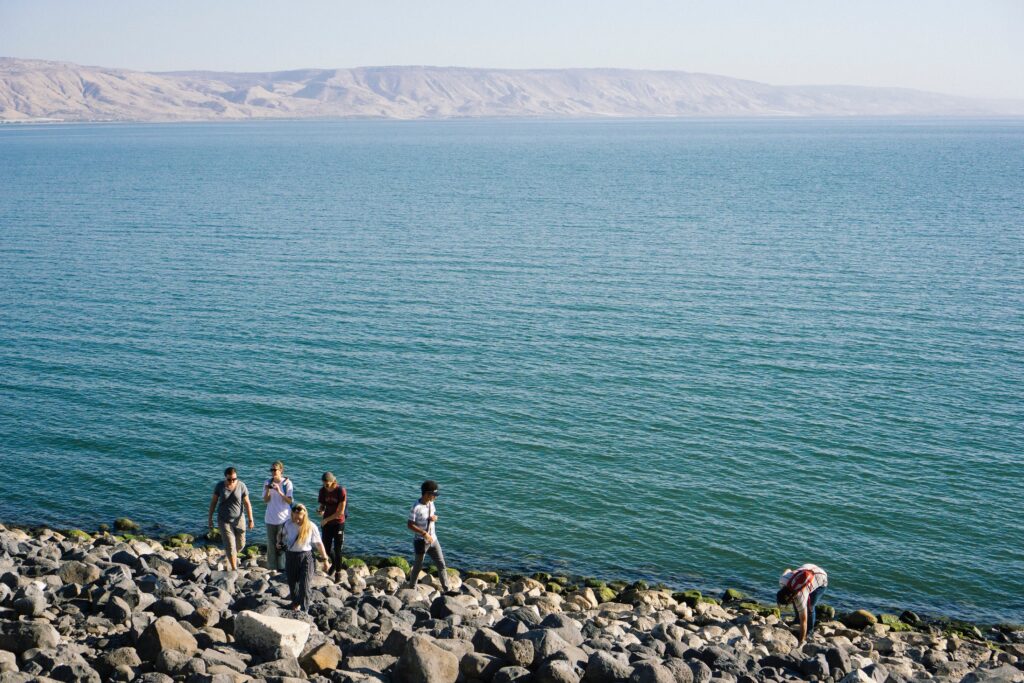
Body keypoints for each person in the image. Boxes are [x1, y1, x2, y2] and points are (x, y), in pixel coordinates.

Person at [277, 503, 328, 611]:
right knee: (292, 583)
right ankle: (295, 604)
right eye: (294, 517)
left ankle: (305, 610)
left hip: (306, 557)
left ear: (304, 515)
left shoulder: (311, 526)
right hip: (291, 556)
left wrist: (325, 560)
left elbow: (319, 544)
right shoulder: (288, 524)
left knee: (305, 585)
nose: (296, 520)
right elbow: (280, 535)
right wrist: (278, 542)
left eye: (299, 518)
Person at [406, 479, 452, 593]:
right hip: (421, 541)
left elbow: (433, 515)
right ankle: (412, 588)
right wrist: (424, 533)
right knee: (418, 567)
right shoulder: (416, 507)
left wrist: (434, 518)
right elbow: (410, 525)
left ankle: (447, 590)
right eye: (434, 495)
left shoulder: (431, 503)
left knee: (441, 564)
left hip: (433, 540)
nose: (435, 497)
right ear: (427, 494)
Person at [207, 467, 255, 571]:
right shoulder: (220, 486)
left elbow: (247, 503)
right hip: (224, 520)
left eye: (234, 479)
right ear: (225, 477)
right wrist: (210, 518)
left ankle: (229, 555)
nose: (232, 481)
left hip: (239, 519)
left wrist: (251, 519)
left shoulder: (241, 486)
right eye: (229, 479)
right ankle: (234, 569)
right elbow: (213, 502)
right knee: (230, 545)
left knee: (241, 544)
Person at [777, 563, 828, 644]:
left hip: (821, 578)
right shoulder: (783, 580)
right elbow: (788, 569)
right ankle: (797, 621)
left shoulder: (801, 597)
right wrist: (794, 574)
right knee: (798, 605)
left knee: (810, 607)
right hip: (808, 567)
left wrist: (801, 641)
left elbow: (804, 621)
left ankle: (809, 632)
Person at [262, 460, 294, 572]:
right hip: (270, 518)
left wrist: (279, 491)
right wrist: (267, 490)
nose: (273, 472)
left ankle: (282, 568)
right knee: (271, 546)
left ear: (281, 470)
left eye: (275, 470)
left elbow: (289, 501)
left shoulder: (287, 483)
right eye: (271, 470)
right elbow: (266, 500)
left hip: (283, 519)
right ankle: (272, 568)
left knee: (281, 544)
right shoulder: (267, 482)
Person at [317, 472, 347, 582]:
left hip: (338, 523)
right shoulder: (322, 491)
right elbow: (322, 505)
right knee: (326, 548)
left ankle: (338, 573)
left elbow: (340, 512)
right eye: (324, 483)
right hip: (327, 523)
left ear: (333, 481)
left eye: (327, 483)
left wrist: (326, 519)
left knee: (337, 550)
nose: (325, 485)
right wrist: (320, 510)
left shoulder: (340, 491)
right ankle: (334, 564)